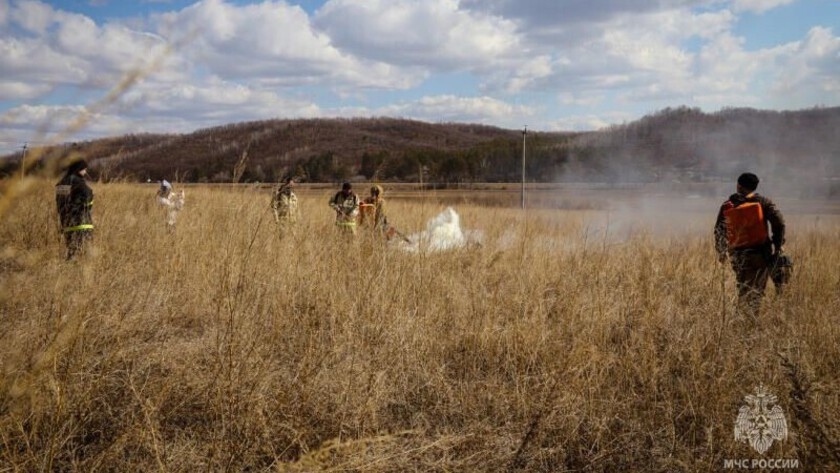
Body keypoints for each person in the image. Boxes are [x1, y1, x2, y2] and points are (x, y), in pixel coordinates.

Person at [714, 172, 786, 317]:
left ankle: (742, 317)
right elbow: (779, 223)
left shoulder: (728, 205)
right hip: (760, 253)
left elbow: (719, 230)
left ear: (738, 185)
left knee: (743, 286)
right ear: (755, 186)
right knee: (757, 291)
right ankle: (750, 321)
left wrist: (721, 252)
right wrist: (778, 245)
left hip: (737, 255)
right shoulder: (763, 202)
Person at [55, 159, 94, 259]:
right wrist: (87, 206)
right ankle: (84, 270)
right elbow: (87, 195)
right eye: (84, 169)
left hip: (66, 221)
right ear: (78, 169)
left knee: (72, 249)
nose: (85, 172)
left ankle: (70, 268)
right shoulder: (78, 181)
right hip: (81, 220)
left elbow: (60, 202)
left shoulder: (62, 182)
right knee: (86, 250)